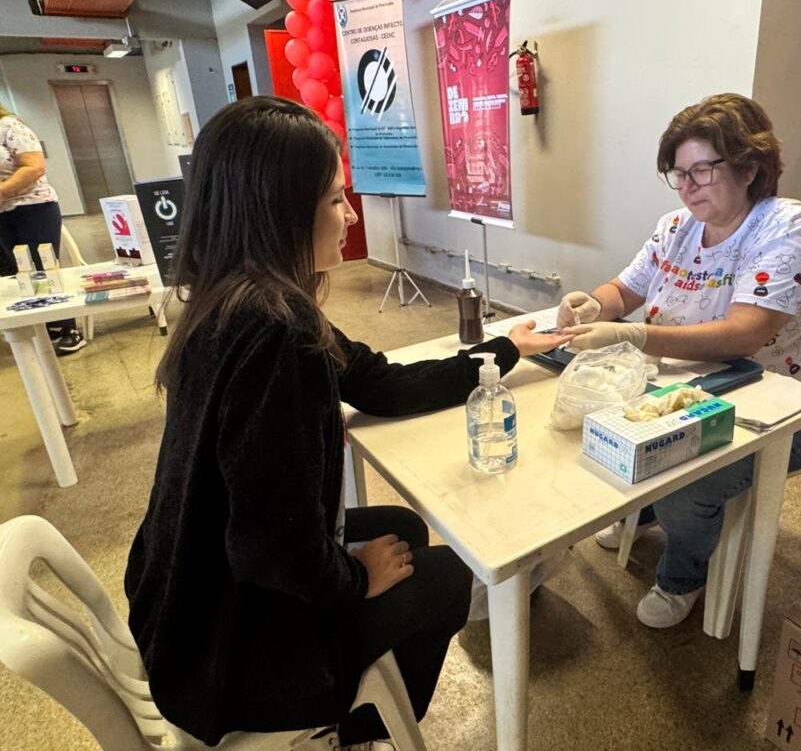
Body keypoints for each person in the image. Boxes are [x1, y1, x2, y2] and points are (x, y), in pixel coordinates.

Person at [123, 96, 571, 750]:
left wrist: (504, 352)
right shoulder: (276, 332)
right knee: (446, 576)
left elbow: (381, 383)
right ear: (279, 206)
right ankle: (348, 729)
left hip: (183, 599)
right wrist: (355, 579)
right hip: (228, 655)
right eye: (335, 199)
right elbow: (269, 549)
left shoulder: (235, 297)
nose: (351, 215)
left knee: (403, 528)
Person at [558, 93, 801, 629]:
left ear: (751, 167)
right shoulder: (676, 227)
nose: (687, 187)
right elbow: (626, 287)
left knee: (691, 472)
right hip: (685, 390)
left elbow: (746, 334)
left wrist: (636, 334)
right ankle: (646, 511)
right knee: (593, 421)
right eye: (678, 174)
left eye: (702, 171)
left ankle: (681, 574)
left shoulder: (788, 226)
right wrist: (594, 302)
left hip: (784, 409)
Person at [0, 104, 85, 353]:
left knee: (44, 267)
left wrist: (2, 192)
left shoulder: (9, 127)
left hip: (32, 207)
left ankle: (68, 328)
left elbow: (34, 167)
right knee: (13, 271)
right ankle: (37, 324)